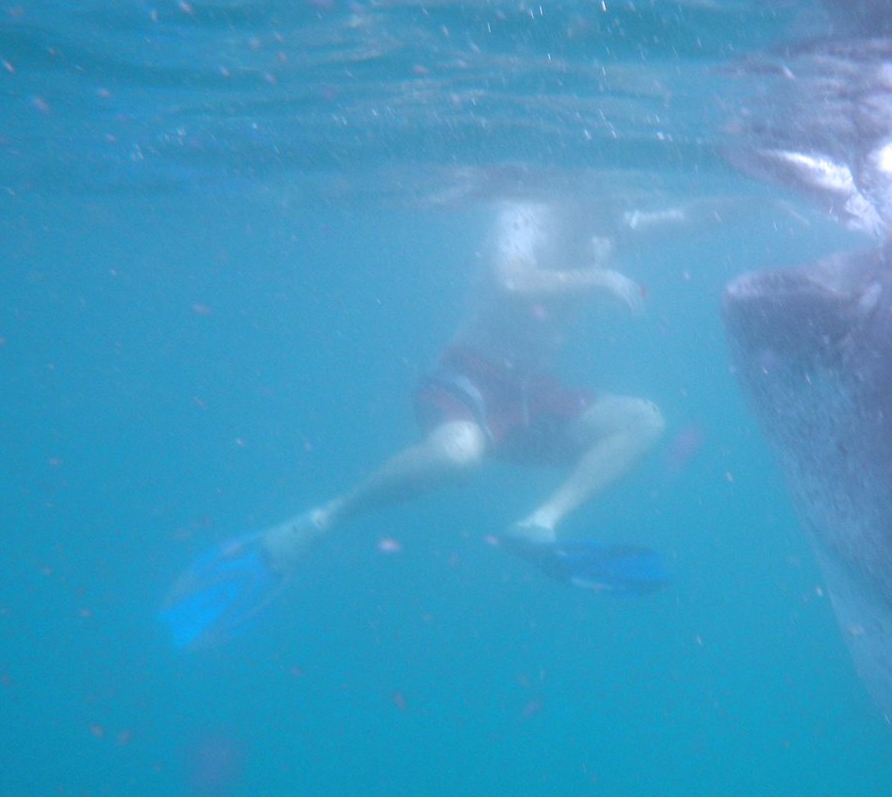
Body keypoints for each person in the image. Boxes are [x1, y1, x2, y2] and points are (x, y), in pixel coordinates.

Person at [161, 195, 695, 648]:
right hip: (467, 375)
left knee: (643, 420)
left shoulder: (609, 225)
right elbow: (513, 279)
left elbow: (689, 218)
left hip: (533, 393)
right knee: (456, 457)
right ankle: (317, 523)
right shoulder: (525, 214)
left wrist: (746, 189)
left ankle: (539, 524)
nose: (614, 207)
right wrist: (598, 277)